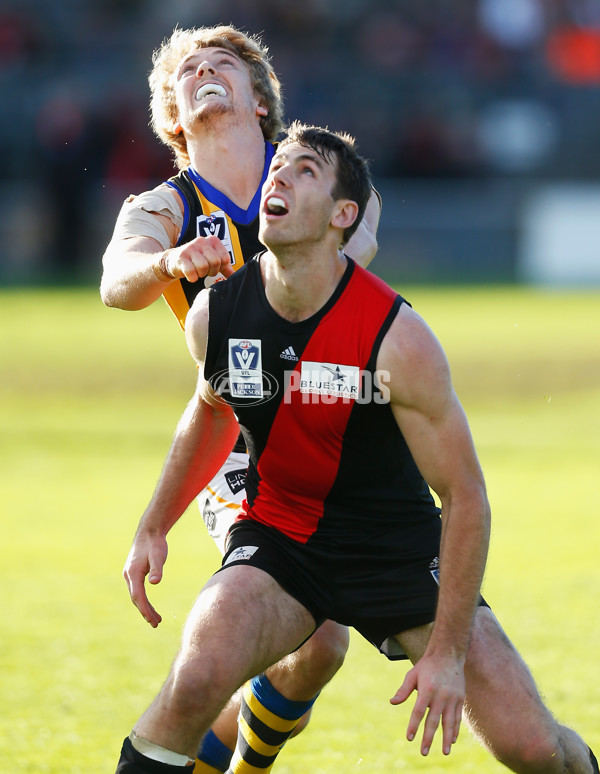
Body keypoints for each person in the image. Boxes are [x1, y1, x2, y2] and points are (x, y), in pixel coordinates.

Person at [115, 122, 598, 774]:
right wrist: (154, 524)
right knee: (195, 682)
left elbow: (464, 497)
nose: (277, 176)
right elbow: (210, 413)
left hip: (398, 550)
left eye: (304, 170)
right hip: (281, 541)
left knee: (538, 751)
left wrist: (448, 654)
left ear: (345, 215)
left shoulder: (398, 338)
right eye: (275, 166)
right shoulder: (218, 314)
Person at [100, 25, 381, 774]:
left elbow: (354, 250)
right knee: (318, 637)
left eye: (222, 63)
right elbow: (116, 281)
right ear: (174, 118)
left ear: (260, 101)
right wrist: (169, 260)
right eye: (186, 72)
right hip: (244, 446)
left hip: (338, 442)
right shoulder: (164, 206)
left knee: (320, 656)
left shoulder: (327, 180)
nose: (203, 72)